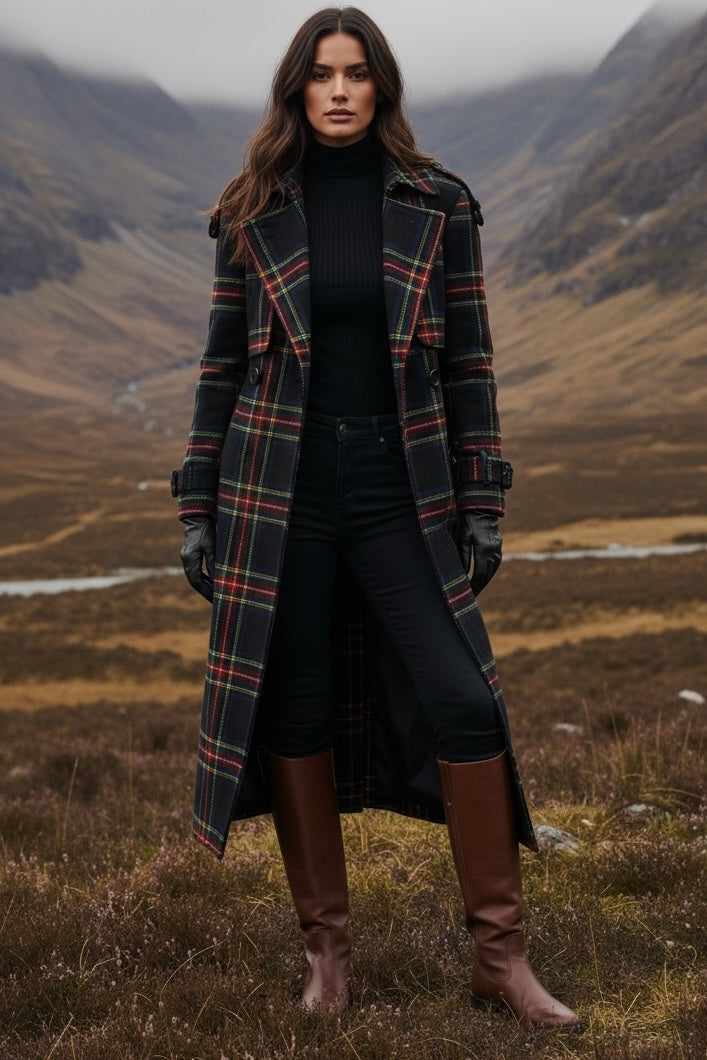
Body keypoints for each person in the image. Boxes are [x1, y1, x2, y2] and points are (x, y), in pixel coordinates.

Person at [172, 6, 580, 1030]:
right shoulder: (253, 209)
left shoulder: (436, 204)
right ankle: (328, 959)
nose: (341, 90)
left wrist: (481, 498)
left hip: (400, 490)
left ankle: (500, 959)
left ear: (382, 88)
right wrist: (196, 505)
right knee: (297, 711)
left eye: (358, 73)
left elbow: (468, 365)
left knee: (464, 700)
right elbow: (220, 373)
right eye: (323, 74)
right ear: (296, 90)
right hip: (281, 492)